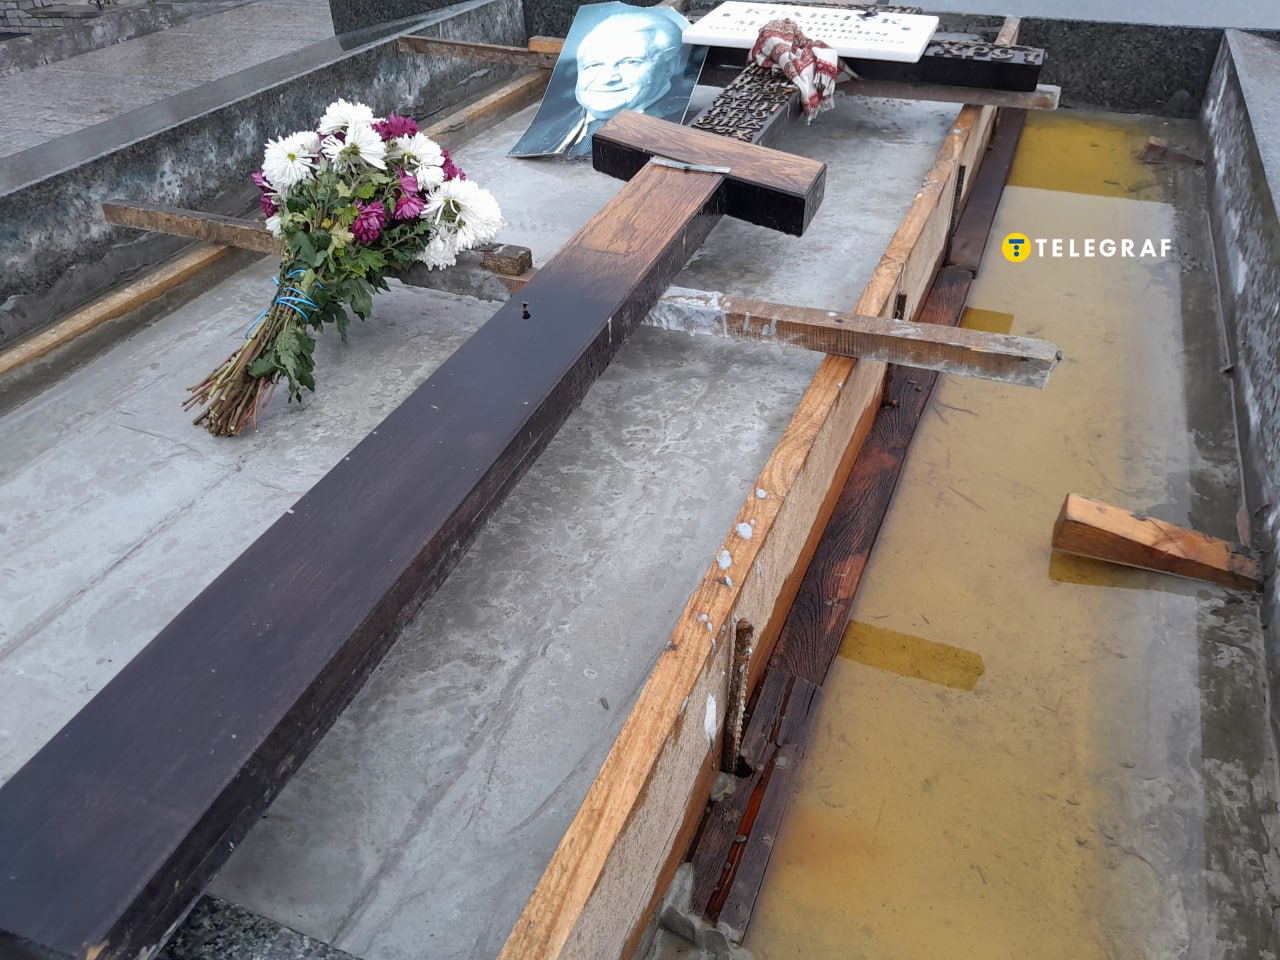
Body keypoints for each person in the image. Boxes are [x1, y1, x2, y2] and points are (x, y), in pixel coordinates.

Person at [510, 6, 699, 159]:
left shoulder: (681, 135)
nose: (608, 78)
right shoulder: (541, 133)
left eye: (629, 62)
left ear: (670, 65)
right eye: (594, 65)